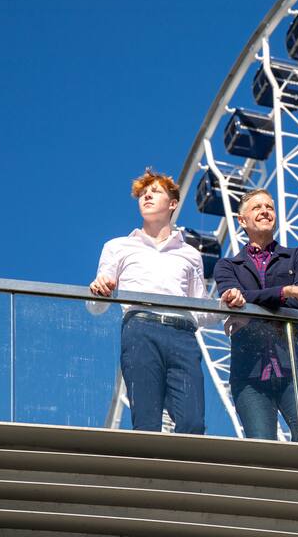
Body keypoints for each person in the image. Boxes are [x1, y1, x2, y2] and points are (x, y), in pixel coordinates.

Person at [89, 169, 215, 434]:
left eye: (155, 191)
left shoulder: (190, 254)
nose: (147, 195)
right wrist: (99, 292)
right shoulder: (118, 246)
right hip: (140, 330)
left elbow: (200, 308)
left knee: (193, 423)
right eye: (143, 194)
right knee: (146, 421)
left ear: (173, 204)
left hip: (183, 335)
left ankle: (184, 473)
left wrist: (229, 310)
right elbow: (97, 306)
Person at [214, 188, 298, 443]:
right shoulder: (227, 266)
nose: (265, 211)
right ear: (242, 221)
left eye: (269, 207)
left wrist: (253, 300)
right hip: (249, 374)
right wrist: (285, 291)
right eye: (257, 207)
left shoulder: (296, 256)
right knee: (261, 449)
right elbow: (233, 297)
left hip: (295, 369)